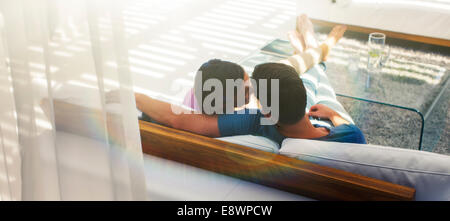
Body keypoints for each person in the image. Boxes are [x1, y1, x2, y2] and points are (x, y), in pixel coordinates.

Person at [134, 14, 366, 145]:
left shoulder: (255, 121)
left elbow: (178, 119)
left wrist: (134, 97)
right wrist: (334, 115)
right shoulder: (352, 137)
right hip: (316, 115)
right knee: (314, 73)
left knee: (310, 70)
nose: (251, 94)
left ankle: (310, 50)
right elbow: (344, 125)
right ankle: (316, 49)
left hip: (302, 108)